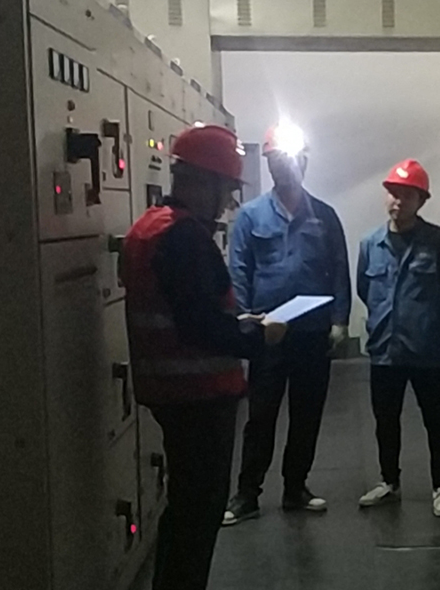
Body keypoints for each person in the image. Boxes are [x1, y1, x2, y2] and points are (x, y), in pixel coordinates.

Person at [121, 124, 287, 590]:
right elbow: (200, 327)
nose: (228, 203)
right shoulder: (185, 237)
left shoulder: (150, 227)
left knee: (185, 509)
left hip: (171, 393)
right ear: (202, 181)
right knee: (199, 514)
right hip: (197, 396)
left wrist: (239, 322)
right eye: (226, 189)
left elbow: (187, 310)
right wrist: (259, 336)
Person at [224, 122, 351, 524]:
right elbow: (239, 271)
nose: (286, 166)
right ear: (269, 164)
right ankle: (247, 494)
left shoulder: (325, 216)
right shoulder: (250, 216)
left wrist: (340, 321)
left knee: (307, 414)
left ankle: (296, 487)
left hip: (313, 333)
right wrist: (247, 322)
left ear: (305, 162)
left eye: (292, 159)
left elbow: (339, 270)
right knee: (261, 416)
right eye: (278, 160)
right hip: (269, 334)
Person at [356, 160, 440, 517]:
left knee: (436, 419)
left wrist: (426, 317)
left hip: (425, 349)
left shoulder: (438, 242)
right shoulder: (371, 244)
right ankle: (389, 482)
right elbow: (364, 289)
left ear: (421, 201)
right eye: (393, 193)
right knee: (385, 420)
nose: (398, 201)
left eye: (406, 195)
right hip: (385, 349)